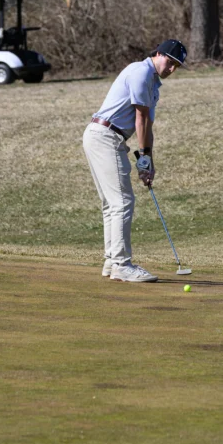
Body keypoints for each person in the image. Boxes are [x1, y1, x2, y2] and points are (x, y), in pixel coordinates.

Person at [83, 39, 188, 283]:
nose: (171, 69)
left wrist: (147, 160)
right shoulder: (141, 72)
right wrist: (142, 159)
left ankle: (112, 261)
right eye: (170, 62)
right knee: (121, 201)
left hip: (107, 137)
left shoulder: (153, 83)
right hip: (105, 135)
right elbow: (140, 119)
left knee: (113, 203)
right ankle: (121, 264)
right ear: (159, 54)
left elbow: (147, 125)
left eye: (176, 67)